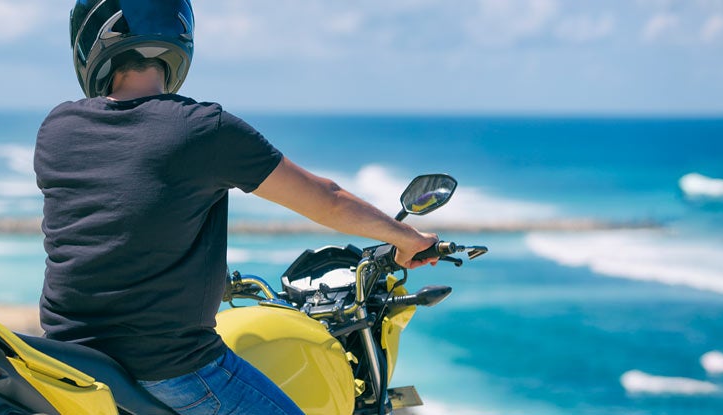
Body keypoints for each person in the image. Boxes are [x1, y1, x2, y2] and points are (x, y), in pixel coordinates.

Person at [35, 1, 438, 414]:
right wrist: (408, 238)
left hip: (69, 361)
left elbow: (115, 220)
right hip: (170, 368)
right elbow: (327, 200)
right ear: (179, 37)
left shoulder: (57, 128)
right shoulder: (203, 129)